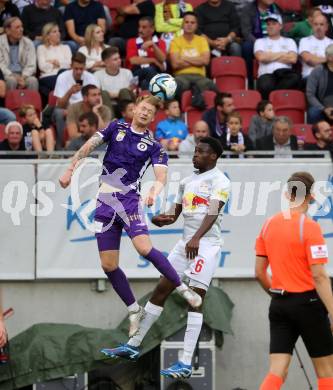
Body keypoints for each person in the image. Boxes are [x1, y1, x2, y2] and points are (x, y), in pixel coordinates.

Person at [59, 94, 202, 337]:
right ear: (134, 109)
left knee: (144, 248)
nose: (145, 112)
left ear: (154, 117)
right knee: (108, 264)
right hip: (105, 202)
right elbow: (88, 146)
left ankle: (182, 288)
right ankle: (134, 310)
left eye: (150, 111)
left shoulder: (155, 146)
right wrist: (70, 168)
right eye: (143, 108)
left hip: (129, 201)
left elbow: (160, 177)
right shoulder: (115, 127)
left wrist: (155, 191)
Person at [100, 137, 230, 380]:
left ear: (213, 156)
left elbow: (213, 211)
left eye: (201, 152)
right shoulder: (188, 181)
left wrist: (197, 238)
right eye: (195, 151)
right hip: (185, 243)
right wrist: (163, 219)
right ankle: (134, 344)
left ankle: (184, 362)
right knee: (161, 290)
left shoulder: (220, 181)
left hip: (206, 245)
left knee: (195, 299)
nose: (195, 155)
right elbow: (176, 213)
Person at [255, 171, 333, 390]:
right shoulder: (310, 227)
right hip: (308, 304)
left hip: (279, 304)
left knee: (277, 370)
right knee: (326, 371)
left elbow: (260, 272)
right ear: (310, 196)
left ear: (287, 194)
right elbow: (319, 275)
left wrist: (278, 296)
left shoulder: (269, 225)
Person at [53, 52, 99, 148]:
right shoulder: (62, 77)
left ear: (85, 67)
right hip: (68, 109)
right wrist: (69, 92)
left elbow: (97, 99)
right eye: (76, 68)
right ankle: (60, 147)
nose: (78, 72)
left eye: (81, 69)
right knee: (58, 112)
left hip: (87, 108)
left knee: (101, 109)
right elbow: (60, 105)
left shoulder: (92, 78)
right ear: (71, 66)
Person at [169, 12, 217, 100]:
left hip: (200, 77)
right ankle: (180, 112)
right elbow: (175, 64)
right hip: (181, 76)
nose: (189, 25)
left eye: (192, 22)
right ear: (182, 24)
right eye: (186, 22)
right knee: (176, 85)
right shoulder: (175, 41)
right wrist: (198, 61)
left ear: (196, 25)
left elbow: (205, 61)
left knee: (211, 86)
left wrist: (183, 58)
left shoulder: (202, 40)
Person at [254, 14, 300, 99]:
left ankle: (274, 97)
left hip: (284, 74)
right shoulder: (259, 41)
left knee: (295, 78)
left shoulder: (290, 41)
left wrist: (269, 56)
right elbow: (261, 58)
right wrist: (282, 53)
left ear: (280, 26)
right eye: (268, 24)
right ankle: (276, 99)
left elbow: (293, 59)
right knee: (265, 84)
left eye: (274, 24)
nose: (270, 26)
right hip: (267, 74)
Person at [241, 0, 282, 87]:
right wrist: (259, 44)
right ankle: (250, 83)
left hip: (275, 40)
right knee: (247, 47)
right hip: (256, 41)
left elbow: (281, 28)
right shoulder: (248, 9)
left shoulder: (276, 9)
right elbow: (246, 32)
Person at [126, 16, 166, 90]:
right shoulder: (132, 41)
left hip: (154, 74)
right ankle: (159, 92)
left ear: (152, 29)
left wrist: (153, 45)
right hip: (137, 73)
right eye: (139, 27)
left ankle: (151, 98)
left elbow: (162, 59)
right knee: (149, 70)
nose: (140, 30)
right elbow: (133, 60)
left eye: (144, 27)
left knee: (145, 83)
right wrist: (154, 60)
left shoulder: (160, 42)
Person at [37, 22, 72, 103]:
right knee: (63, 76)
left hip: (64, 76)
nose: (58, 34)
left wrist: (57, 63)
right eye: (54, 32)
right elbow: (42, 66)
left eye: (58, 31)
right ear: (47, 35)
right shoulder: (41, 48)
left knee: (63, 73)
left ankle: (58, 104)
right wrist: (61, 64)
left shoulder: (66, 47)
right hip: (48, 76)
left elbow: (70, 64)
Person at [0, 17, 38, 91]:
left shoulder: (28, 42)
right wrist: (13, 76)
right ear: (8, 30)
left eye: (22, 26)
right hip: (6, 74)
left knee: (33, 81)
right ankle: (10, 102)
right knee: (11, 81)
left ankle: (31, 103)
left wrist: (23, 77)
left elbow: (31, 65)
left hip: (23, 75)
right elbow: (1, 65)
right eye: (17, 27)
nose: (21, 29)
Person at [94, 47, 135, 113]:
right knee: (104, 93)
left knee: (124, 91)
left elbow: (131, 91)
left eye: (119, 58)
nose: (119, 60)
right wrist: (117, 94)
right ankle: (110, 121)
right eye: (115, 59)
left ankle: (129, 118)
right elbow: (97, 94)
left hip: (124, 103)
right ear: (106, 62)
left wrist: (115, 94)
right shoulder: (97, 75)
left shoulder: (127, 72)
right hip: (107, 105)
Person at [299, 13, 332, 80]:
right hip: (310, 76)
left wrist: (316, 58)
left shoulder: (331, 42)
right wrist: (329, 60)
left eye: (321, 24)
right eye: (316, 24)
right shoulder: (304, 41)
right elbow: (309, 60)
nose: (318, 27)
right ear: (312, 26)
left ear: (326, 27)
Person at [307, 43, 333, 124]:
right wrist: (324, 109)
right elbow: (310, 94)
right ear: (329, 57)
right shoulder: (318, 70)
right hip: (322, 107)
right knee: (313, 113)